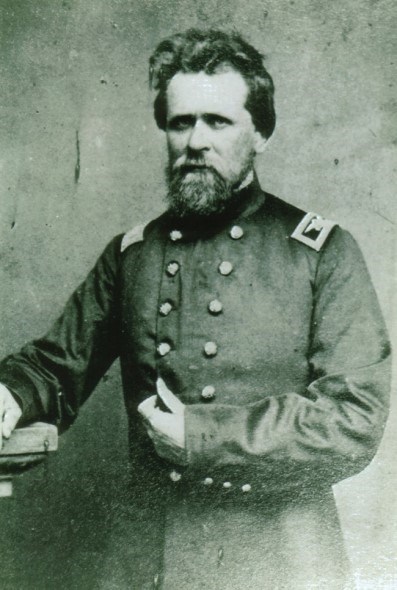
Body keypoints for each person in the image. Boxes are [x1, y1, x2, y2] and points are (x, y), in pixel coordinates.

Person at [0, 28, 391, 590]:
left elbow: (353, 420)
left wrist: (204, 436)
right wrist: (12, 392)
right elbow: (55, 365)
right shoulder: (133, 255)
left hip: (280, 563)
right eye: (181, 123)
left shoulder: (321, 253)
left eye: (218, 122)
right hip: (149, 561)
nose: (196, 142)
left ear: (261, 133)